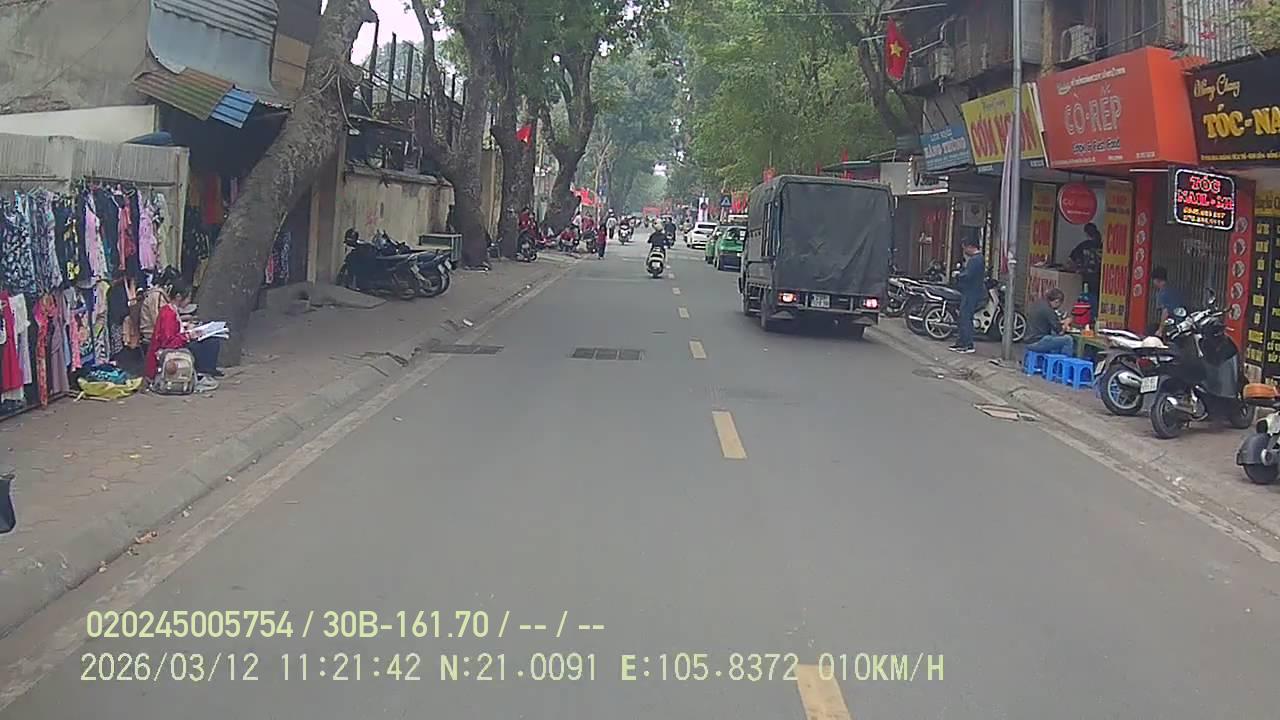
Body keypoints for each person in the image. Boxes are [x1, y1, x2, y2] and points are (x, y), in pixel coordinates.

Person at [144, 281, 224, 382]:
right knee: (208, 344)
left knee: (211, 340)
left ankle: (206, 371)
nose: (189, 301)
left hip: (173, 343)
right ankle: (202, 373)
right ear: (178, 297)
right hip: (164, 350)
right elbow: (168, 342)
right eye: (188, 298)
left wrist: (187, 328)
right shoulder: (168, 314)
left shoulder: (170, 310)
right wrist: (188, 335)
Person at [952, 238, 985, 354]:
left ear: (970, 247)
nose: (964, 251)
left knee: (966, 317)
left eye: (965, 248)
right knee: (963, 317)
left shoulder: (975, 260)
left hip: (971, 292)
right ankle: (961, 342)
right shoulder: (977, 259)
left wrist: (958, 275)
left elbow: (968, 275)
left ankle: (967, 344)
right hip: (970, 292)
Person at [1025, 288, 1074, 356]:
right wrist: (1066, 323)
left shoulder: (1038, 304)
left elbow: (1046, 322)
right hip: (1037, 342)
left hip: (1028, 340)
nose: (1059, 307)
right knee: (1068, 340)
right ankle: (1064, 361)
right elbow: (1060, 332)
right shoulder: (1049, 310)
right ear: (1057, 301)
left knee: (1054, 337)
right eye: (1060, 304)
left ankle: (1054, 359)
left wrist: (1061, 322)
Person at [1151, 266, 1185, 334]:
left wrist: (1160, 330)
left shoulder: (1163, 293)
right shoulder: (1174, 289)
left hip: (1172, 325)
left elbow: (1165, 312)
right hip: (1183, 324)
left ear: (1157, 280)